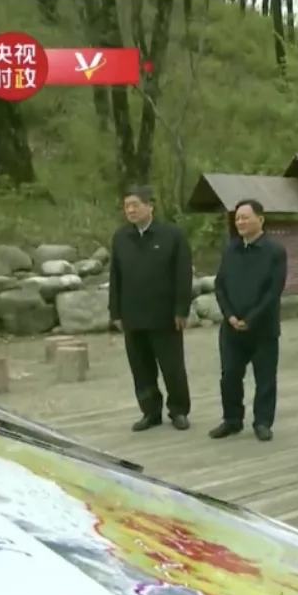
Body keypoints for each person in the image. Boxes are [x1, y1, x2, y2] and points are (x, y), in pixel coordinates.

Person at [108, 185, 194, 433]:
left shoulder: (172, 235)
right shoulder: (121, 237)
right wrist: (115, 311)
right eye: (127, 206)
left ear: (150, 206)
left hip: (165, 315)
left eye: (135, 205)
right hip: (132, 314)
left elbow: (183, 274)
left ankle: (179, 410)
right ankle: (150, 411)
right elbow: (115, 276)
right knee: (141, 368)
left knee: (172, 367)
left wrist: (181, 309)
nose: (131, 210)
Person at [209, 200, 287, 442]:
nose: (240, 222)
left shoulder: (274, 251)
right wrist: (230, 315)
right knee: (229, 376)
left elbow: (274, 291)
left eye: (245, 217)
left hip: (263, 327)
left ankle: (263, 422)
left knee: (265, 378)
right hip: (231, 327)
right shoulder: (230, 249)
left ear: (260, 219)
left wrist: (251, 318)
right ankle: (232, 419)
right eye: (238, 218)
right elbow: (220, 285)